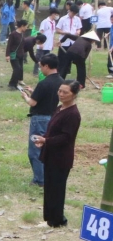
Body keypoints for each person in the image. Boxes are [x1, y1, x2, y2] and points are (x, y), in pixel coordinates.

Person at [35, 79, 81, 228]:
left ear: (73, 95)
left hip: (61, 157)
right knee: (49, 187)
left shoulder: (73, 114)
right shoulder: (59, 108)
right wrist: (44, 140)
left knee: (56, 189)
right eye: (60, 91)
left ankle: (57, 221)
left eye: (65, 92)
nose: (61, 94)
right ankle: (49, 218)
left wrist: (46, 141)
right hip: (51, 154)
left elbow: (66, 137)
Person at [20, 52, 61, 187]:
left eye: (41, 66)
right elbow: (47, 97)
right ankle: (49, 177)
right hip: (53, 117)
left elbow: (32, 103)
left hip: (40, 119)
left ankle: (40, 180)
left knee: (35, 150)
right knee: (48, 149)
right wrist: (34, 91)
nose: (40, 68)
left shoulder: (44, 83)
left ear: (47, 66)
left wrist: (25, 97)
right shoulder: (61, 82)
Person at [6, 19, 29, 90]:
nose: (26, 28)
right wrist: (7, 55)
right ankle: (12, 84)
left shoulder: (22, 34)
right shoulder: (13, 34)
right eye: (25, 27)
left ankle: (15, 84)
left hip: (21, 55)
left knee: (20, 69)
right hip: (14, 55)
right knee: (17, 69)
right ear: (22, 26)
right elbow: (9, 45)